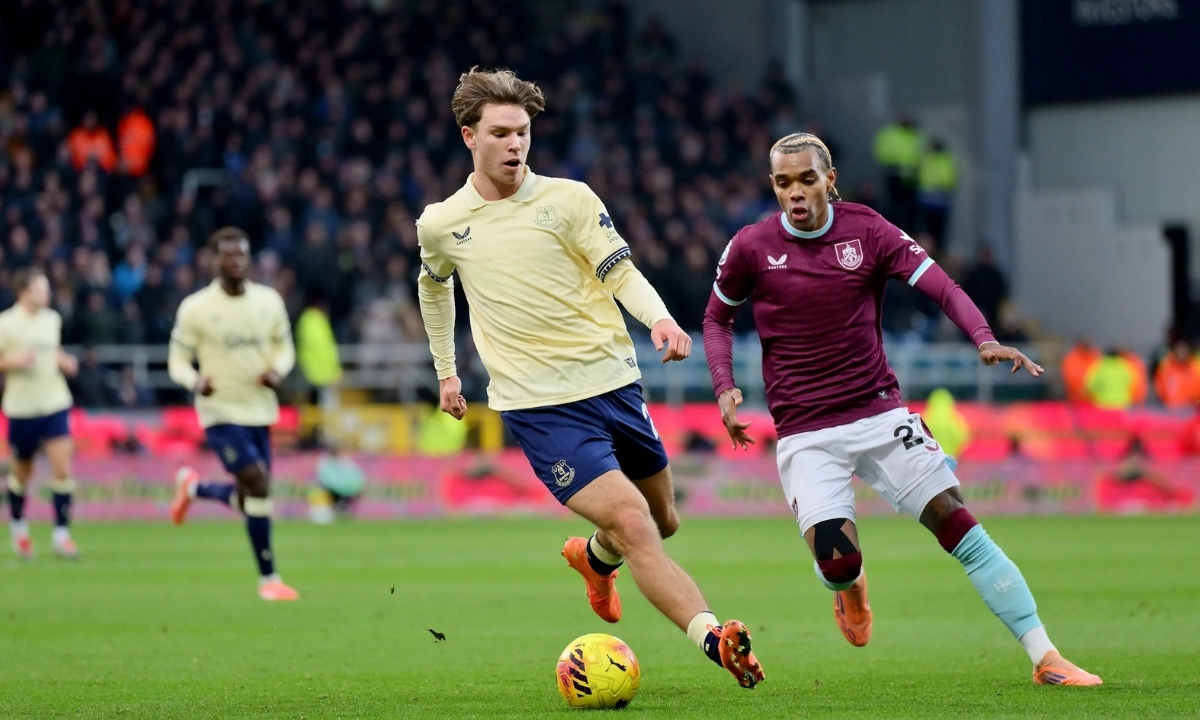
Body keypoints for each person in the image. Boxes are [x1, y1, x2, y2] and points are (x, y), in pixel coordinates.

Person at [702, 132, 1101, 686]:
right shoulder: (750, 246)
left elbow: (941, 286)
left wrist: (983, 337)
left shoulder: (868, 230)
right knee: (838, 566)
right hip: (806, 432)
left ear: (830, 179)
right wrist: (723, 385)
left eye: (807, 179)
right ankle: (851, 590)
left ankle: (1045, 656)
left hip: (880, 414)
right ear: (773, 184)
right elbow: (717, 318)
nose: (795, 192)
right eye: (783, 182)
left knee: (959, 525)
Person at [415, 67, 763, 689]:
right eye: (500, 133)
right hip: (540, 407)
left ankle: (594, 561)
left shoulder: (570, 199)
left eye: (522, 131)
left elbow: (620, 272)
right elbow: (433, 288)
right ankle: (714, 638)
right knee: (633, 522)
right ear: (469, 137)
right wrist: (446, 372)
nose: (516, 145)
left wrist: (659, 319)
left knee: (662, 522)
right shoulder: (443, 224)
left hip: (614, 384)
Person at [166, 227, 299, 601]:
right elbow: (176, 360)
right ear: (214, 260)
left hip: (260, 410)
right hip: (220, 411)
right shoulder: (197, 308)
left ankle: (194, 488)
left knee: (250, 496)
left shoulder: (268, 301)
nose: (237, 261)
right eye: (229, 255)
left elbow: (285, 348)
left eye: (242, 254)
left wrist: (278, 370)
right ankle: (269, 580)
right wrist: (194, 381)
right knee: (258, 484)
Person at [0, 267, 81, 560]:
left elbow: (52, 351)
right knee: (22, 474)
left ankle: (62, 536)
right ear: (24, 291)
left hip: (54, 402)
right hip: (22, 408)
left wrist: (64, 361)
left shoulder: (52, 320)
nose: (47, 293)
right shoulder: (6, 323)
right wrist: (11, 360)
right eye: (41, 288)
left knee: (62, 470)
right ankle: (19, 530)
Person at [1154, 338, 1200, 408]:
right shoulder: (1166, 366)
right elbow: (1159, 388)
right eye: (1179, 350)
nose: (1181, 353)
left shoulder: (1196, 368)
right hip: (1169, 409)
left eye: (1184, 350)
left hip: (1191, 410)